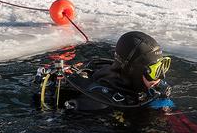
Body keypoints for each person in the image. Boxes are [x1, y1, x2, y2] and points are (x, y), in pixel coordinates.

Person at [35, 31, 173, 112]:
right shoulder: (101, 103)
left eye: (163, 66)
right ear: (133, 71)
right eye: (155, 70)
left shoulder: (142, 87)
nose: (161, 76)